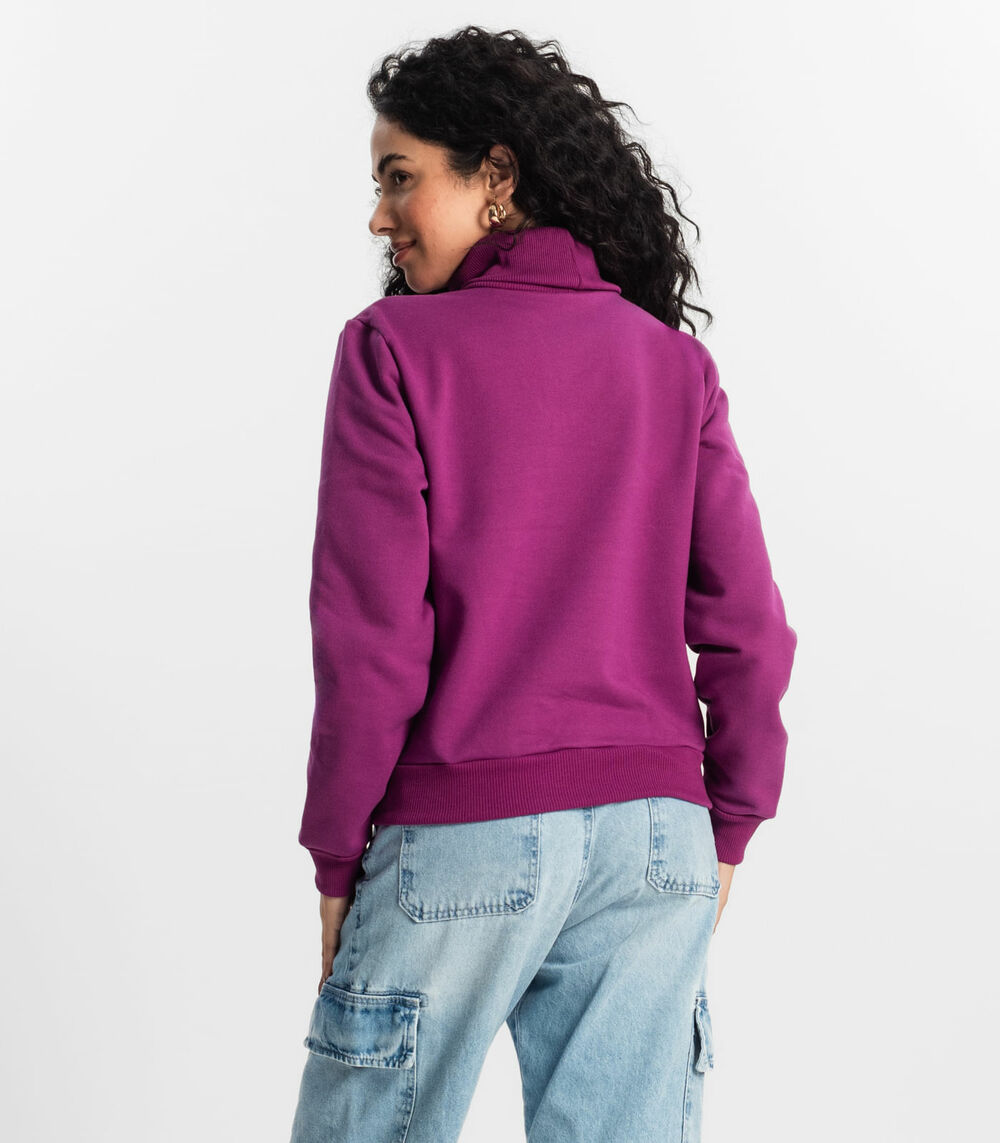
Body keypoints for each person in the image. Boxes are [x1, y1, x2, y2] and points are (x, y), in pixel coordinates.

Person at [289, 24, 796, 1143]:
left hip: (462, 824)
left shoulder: (392, 349)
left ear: (498, 177)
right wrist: (726, 825)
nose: (380, 215)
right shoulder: (672, 364)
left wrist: (335, 854)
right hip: (656, 841)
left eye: (399, 178)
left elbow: (371, 642)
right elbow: (752, 630)